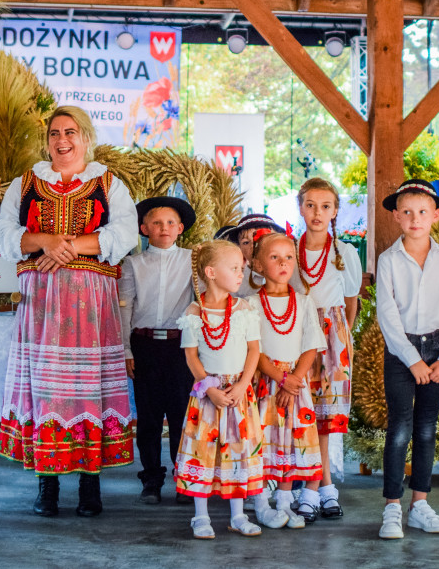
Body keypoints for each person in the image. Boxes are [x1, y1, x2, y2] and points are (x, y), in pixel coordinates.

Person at [0, 106, 139, 517]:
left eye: (71, 132)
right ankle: (48, 484)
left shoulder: (109, 183)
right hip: (42, 302)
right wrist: (44, 239)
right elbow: (4, 234)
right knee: (48, 390)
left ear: (86, 137)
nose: (63, 140)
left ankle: (90, 486)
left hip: (92, 304)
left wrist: (70, 247)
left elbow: (125, 233)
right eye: (56, 133)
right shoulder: (25, 184)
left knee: (88, 389)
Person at [375, 180, 439, 540]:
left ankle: (420, 505)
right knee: (399, 429)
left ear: (436, 215)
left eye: (423, 212)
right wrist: (412, 360)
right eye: (407, 212)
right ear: (396, 216)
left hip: (438, 347)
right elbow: (387, 314)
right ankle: (392, 507)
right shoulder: (388, 259)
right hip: (401, 351)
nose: (415, 219)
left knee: (426, 429)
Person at [174, 239, 265, 539]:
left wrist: (242, 385)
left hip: (238, 394)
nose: (242, 273)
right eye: (235, 268)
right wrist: (208, 388)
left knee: (238, 450)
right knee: (204, 451)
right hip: (208, 395)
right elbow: (190, 355)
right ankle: (200, 517)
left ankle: (238, 515)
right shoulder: (194, 311)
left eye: (242, 267)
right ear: (211, 272)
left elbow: (254, 351)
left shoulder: (245, 309)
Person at [290, 177, 361, 520]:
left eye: (326, 206)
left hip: (332, 340)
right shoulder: (289, 249)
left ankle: (316, 488)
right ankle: (320, 487)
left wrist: (339, 338)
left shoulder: (344, 252)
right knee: (302, 413)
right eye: (311, 205)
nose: (318, 212)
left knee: (324, 417)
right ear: (300, 207)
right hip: (297, 337)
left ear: (335, 211)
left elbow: (350, 303)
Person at [118, 196, 197, 504]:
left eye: (169, 223)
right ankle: (151, 478)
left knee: (181, 414)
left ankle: (185, 476)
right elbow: (126, 308)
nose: (163, 228)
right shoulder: (132, 264)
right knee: (149, 417)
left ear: (179, 228)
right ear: (143, 228)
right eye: (156, 223)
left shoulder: (193, 261)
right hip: (145, 345)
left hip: (181, 348)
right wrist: (127, 350)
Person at [247, 230, 324, 530]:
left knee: (291, 442)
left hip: (295, 385)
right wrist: (281, 378)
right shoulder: (250, 304)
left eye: (288, 257)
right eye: (274, 257)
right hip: (266, 384)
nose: (283, 263)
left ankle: (284, 501)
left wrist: (294, 381)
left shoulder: (304, 302)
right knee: (264, 442)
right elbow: (254, 349)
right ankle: (261, 503)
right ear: (258, 264)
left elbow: (311, 346)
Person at [227, 213, 284, 296]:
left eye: (262, 238)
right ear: (240, 248)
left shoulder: (290, 273)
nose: (253, 246)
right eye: (246, 242)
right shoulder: (236, 282)